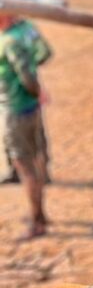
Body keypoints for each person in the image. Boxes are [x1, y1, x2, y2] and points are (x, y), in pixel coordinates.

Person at [0, 13, 50, 238]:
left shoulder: (10, 40)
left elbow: (26, 75)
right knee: (34, 162)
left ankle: (37, 221)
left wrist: (36, 92)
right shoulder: (20, 34)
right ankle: (40, 215)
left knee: (26, 167)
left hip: (17, 110)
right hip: (28, 108)